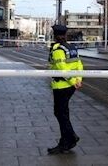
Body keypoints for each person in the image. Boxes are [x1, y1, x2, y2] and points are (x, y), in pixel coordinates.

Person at [47, 24, 83, 154]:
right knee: (63, 113)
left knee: (60, 113)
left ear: (55, 35)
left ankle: (70, 138)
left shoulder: (57, 50)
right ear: (65, 35)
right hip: (71, 87)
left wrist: (73, 81)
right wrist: (78, 80)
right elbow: (79, 65)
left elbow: (62, 69)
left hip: (61, 86)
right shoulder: (72, 48)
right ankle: (66, 141)